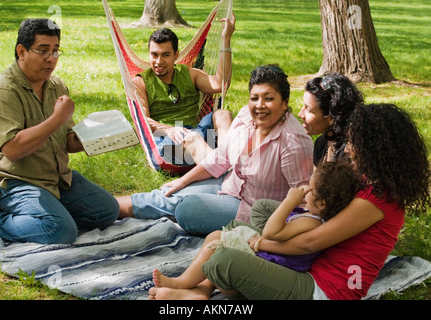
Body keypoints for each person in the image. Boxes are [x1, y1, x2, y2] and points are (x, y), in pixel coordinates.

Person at [148, 103, 430, 300]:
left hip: (322, 290)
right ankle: (201, 290)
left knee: (226, 259)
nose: (351, 148)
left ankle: (205, 287)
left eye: (356, 143)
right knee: (228, 232)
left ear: (377, 149)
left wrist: (259, 244)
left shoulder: (377, 201)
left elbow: (311, 242)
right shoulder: (370, 184)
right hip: (307, 265)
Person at [117, 64, 313, 235]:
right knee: (169, 194)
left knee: (187, 210)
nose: (259, 106)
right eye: (254, 98)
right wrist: (182, 181)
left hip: (252, 210)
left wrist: (273, 234)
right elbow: (222, 156)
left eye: (269, 98)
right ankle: (110, 207)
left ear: (285, 102)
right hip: (230, 183)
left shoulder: (293, 142)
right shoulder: (246, 116)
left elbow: (303, 203)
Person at [0, 18, 119, 244]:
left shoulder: (56, 86)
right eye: (43, 50)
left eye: (56, 51)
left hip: (56, 177)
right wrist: (57, 118)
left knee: (107, 211)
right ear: (21, 51)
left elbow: (67, 142)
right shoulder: (2, 91)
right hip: (14, 180)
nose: (51, 58)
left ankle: (45, 212)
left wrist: (97, 136)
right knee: (61, 231)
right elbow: (12, 150)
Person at [151, 161, 361, 292]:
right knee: (216, 235)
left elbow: (272, 232)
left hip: (273, 263)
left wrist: (290, 201)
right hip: (269, 254)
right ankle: (200, 286)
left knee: (214, 245)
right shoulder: (313, 216)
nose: (305, 189)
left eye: (311, 188)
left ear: (322, 204)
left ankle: (181, 283)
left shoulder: (310, 221)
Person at [134, 17, 235, 165]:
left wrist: (226, 39)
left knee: (223, 114)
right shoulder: (141, 81)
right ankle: (226, 170)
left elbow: (221, 83)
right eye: (154, 54)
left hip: (197, 132)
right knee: (192, 139)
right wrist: (168, 129)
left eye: (165, 55)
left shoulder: (189, 74)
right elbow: (142, 119)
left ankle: (228, 157)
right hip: (169, 141)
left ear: (176, 55)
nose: (158, 61)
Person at [298, 72, 364, 167]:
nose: (300, 114)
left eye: (308, 109)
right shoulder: (321, 144)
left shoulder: (349, 153)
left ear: (331, 117)